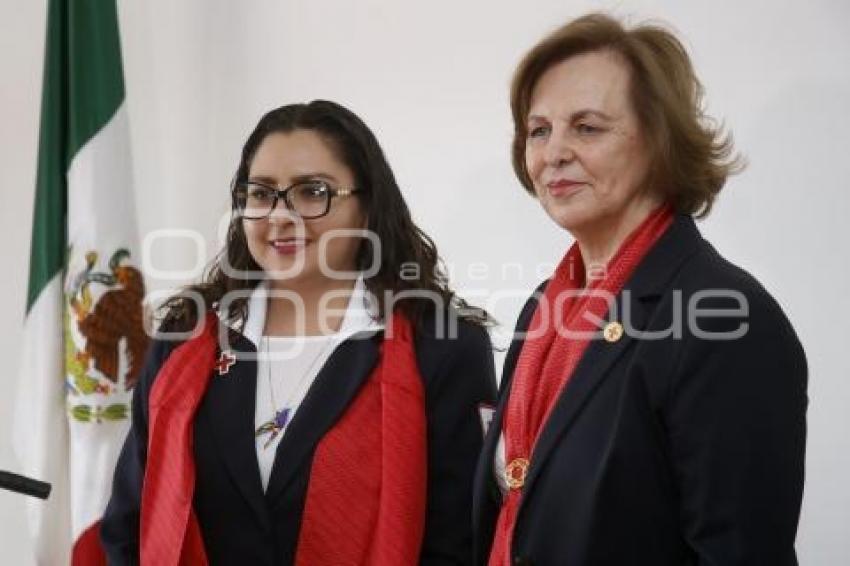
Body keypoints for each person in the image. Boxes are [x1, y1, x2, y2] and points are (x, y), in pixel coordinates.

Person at [472, 13, 807, 566]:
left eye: (587, 127)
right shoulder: (544, 306)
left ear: (659, 140)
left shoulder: (729, 319)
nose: (553, 152)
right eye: (539, 129)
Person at [102, 100, 497, 565]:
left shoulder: (445, 348)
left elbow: (459, 545)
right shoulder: (185, 338)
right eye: (262, 193)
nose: (281, 216)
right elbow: (129, 525)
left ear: (367, 206)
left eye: (313, 192)